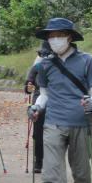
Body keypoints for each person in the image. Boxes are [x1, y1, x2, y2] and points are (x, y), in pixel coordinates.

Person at [27, 18, 92, 183]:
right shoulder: (44, 64)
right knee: (51, 173)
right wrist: (36, 107)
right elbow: (45, 94)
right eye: (51, 36)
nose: (54, 39)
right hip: (53, 123)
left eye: (59, 35)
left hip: (81, 123)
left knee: (82, 175)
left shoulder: (87, 60)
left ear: (69, 37)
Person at [24, 41, 51, 174]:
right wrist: (28, 88)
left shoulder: (61, 67)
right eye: (43, 54)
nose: (45, 57)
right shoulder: (37, 67)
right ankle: (38, 160)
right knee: (38, 133)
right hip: (38, 102)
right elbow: (28, 85)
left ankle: (51, 160)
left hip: (55, 102)